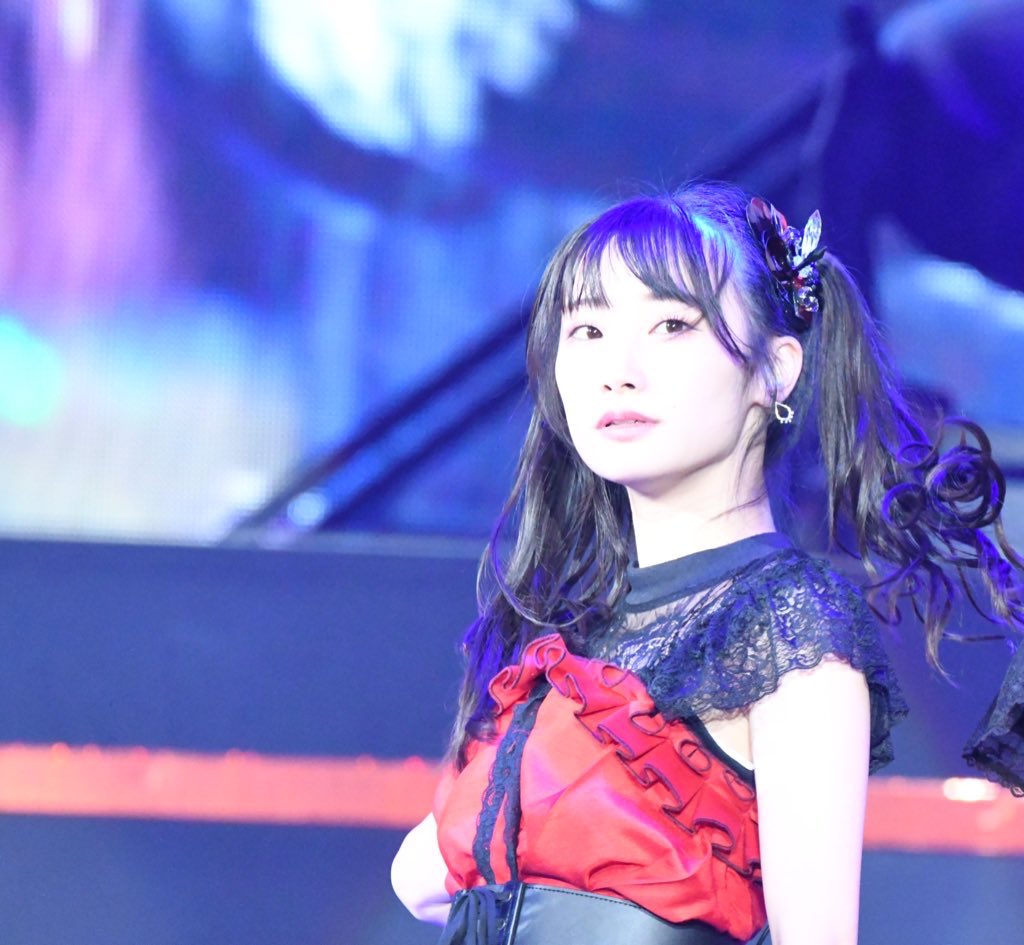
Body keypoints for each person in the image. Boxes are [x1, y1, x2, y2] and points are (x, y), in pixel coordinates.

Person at [390, 182, 1024, 945]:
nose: (617, 369)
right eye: (586, 329)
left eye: (671, 324)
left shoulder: (785, 625)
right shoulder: (574, 633)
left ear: (774, 370)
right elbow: (420, 876)